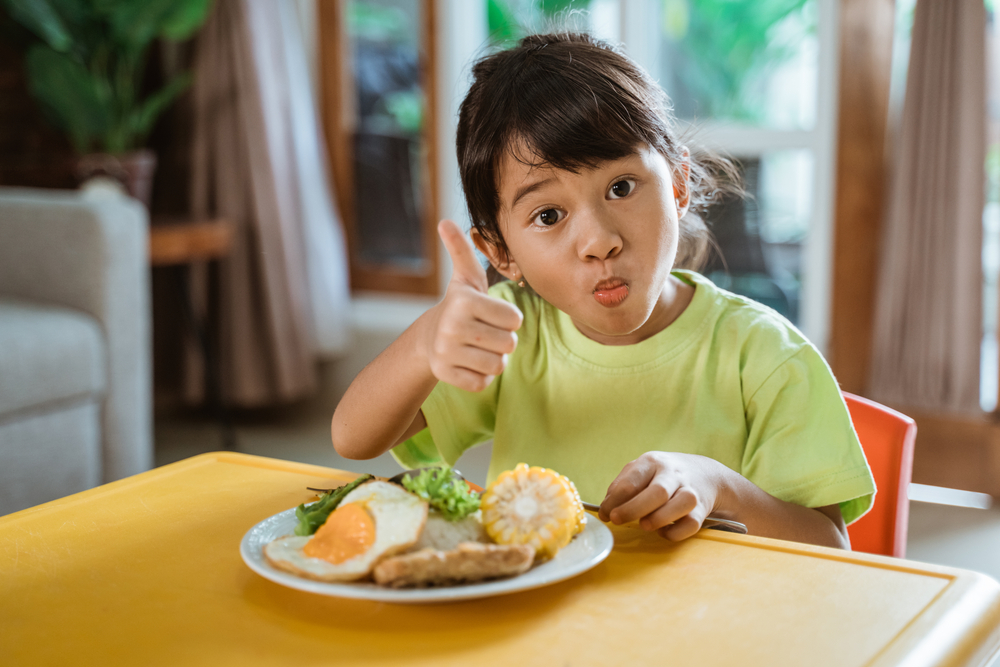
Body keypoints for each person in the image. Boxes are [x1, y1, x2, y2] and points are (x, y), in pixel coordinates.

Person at [332, 32, 875, 549]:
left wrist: (721, 487)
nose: (598, 241)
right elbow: (353, 439)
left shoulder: (765, 356)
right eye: (548, 214)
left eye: (621, 187)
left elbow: (830, 549)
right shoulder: (507, 333)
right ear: (499, 252)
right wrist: (428, 341)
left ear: (679, 185)